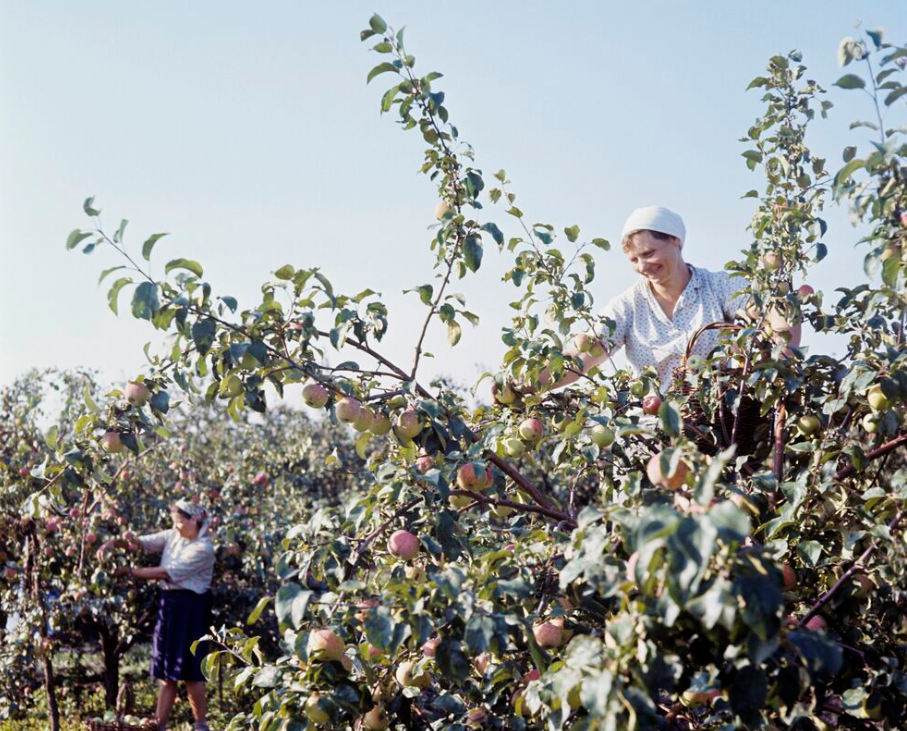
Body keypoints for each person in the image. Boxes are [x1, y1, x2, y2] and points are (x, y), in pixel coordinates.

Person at [540, 205, 800, 390]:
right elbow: (577, 359)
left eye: (649, 253)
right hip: (654, 438)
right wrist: (523, 385)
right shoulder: (628, 306)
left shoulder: (718, 286)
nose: (643, 266)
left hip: (719, 432)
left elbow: (771, 308)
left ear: (675, 241)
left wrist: (782, 354)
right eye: (634, 259)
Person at [98, 499, 216, 731]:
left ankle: (200, 725)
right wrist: (113, 543)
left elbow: (165, 572)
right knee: (167, 669)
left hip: (191, 607)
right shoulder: (174, 535)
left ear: (193, 520)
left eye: (179, 522)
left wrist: (129, 572)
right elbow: (140, 543)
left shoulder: (203, 549)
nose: (176, 526)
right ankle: (159, 724)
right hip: (170, 604)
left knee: (192, 670)